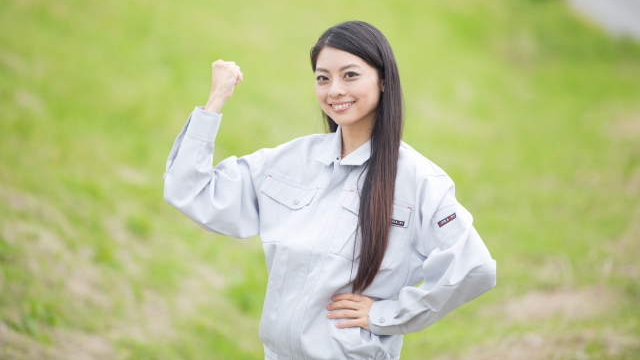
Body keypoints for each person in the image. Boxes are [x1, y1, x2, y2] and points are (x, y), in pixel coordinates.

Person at [163, 20, 496, 360]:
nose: (334, 90)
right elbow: (190, 190)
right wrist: (215, 100)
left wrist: (386, 315)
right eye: (323, 78)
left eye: (350, 75)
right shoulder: (291, 161)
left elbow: (473, 267)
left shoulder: (418, 179)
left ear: (383, 80)